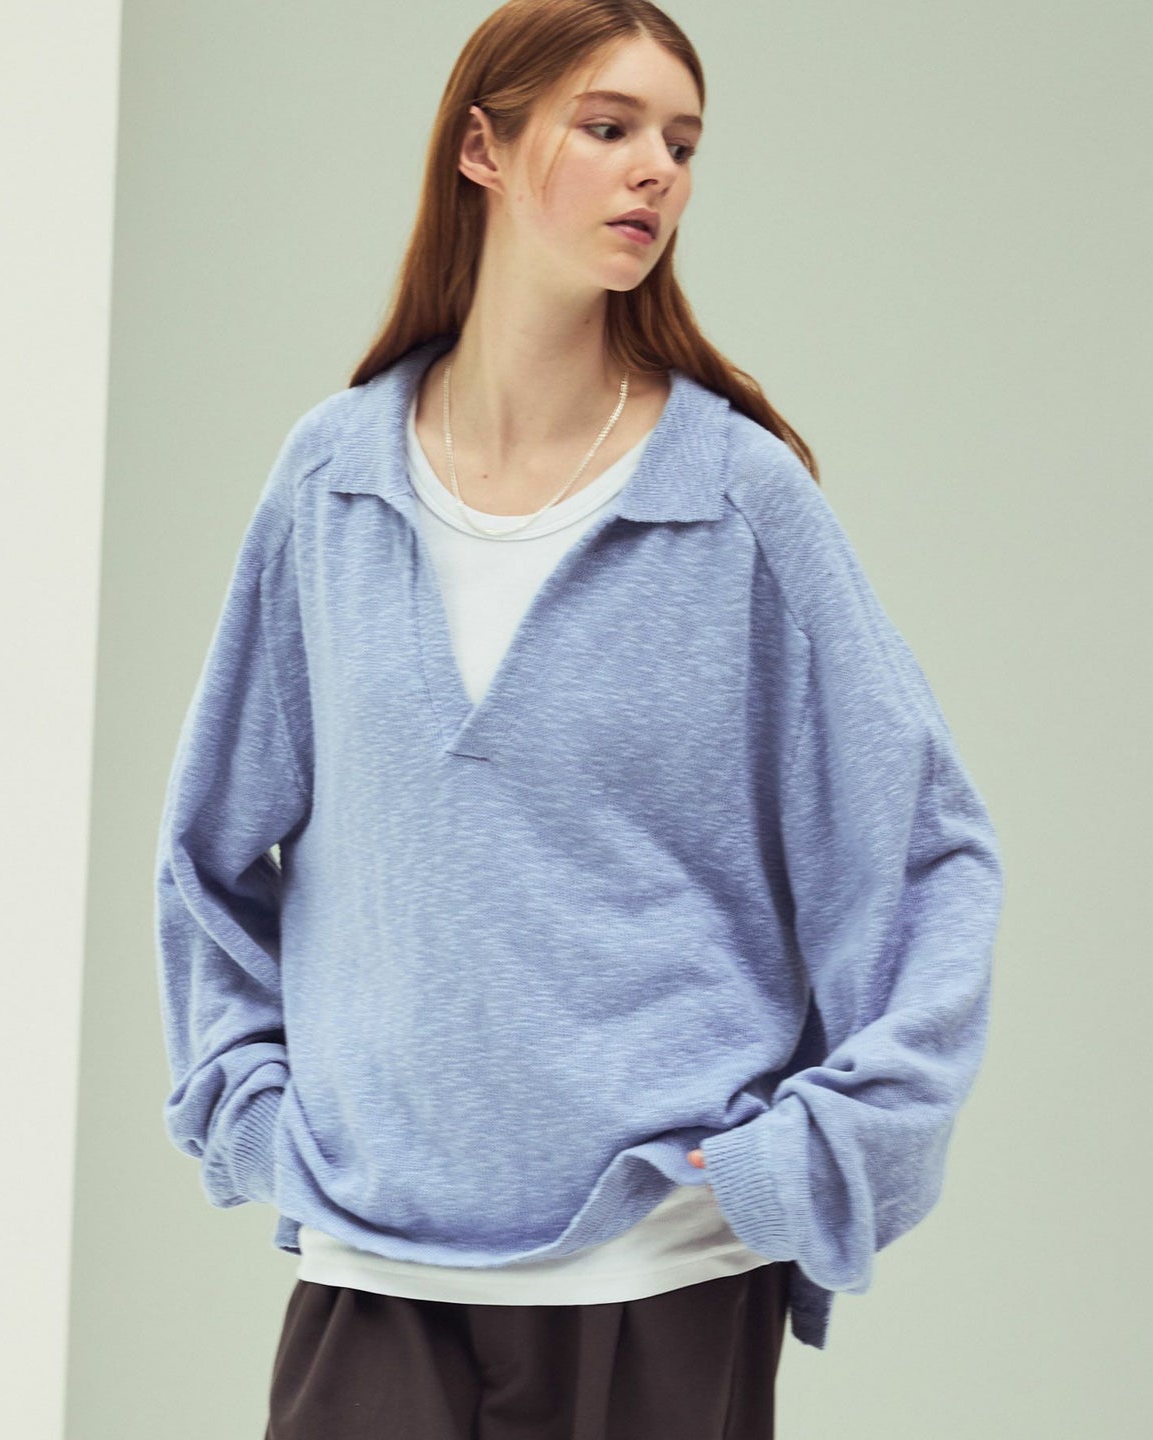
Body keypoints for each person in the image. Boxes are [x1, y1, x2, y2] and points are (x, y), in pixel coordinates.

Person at [153, 2, 1006, 1437]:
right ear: (481, 148)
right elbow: (208, 849)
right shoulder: (332, 480)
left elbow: (924, 855)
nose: (657, 170)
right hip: (376, 1260)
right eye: (609, 129)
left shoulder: (734, 500)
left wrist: (819, 1157)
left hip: (657, 1274)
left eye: (682, 142)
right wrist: (245, 1110)